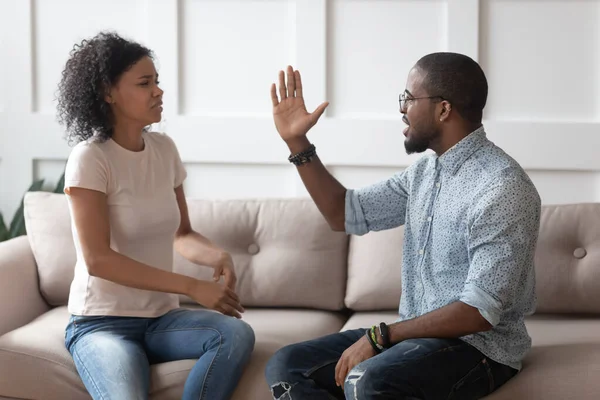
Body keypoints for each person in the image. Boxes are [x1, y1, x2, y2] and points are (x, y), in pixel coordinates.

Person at [265, 53, 541, 399]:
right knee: (286, 365)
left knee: (366, 381)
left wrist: (382, 335)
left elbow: (479, 312)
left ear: (443, 109)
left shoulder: (501, 187)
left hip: (479, 350)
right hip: (412, 340)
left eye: (409, 98)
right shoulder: (424, 174)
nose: (402, 108)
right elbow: (344, 213)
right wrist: (297, 142)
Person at [57, 31, 255, 400]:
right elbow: (98, 260)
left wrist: (218, 256)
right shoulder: (90, 158)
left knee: (236, 333)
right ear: (107, 92)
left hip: (163, 321)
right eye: (144, 83)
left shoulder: (164, 149)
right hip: (101, 325)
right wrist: (192, 286)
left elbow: (182, 234)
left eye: (157, 81)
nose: (158, 91)